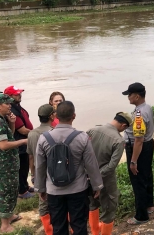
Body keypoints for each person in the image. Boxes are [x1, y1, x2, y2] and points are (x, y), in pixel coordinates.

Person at [35, 101, 103, 235]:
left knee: (58, 227)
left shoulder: (44, 138)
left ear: (55, 116)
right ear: (74, 116)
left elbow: (40, 166)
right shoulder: (82, 137)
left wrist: (40, 188)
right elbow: (91, 165)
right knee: (79, 226)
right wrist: (97, 185)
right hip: (78, 190)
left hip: (53, 191)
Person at [0, 93, 28, 233]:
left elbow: (8, 135)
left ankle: (9, 216)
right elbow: (3, 145)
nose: (10, 105)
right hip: (5, 164)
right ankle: (5, 225)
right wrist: (24, 141)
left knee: (11, 189)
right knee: (7, 192)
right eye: (7, 104)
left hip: (7, 162)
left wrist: (11, 122)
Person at [87, 112, 132, 235]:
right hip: (105, 180)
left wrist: (89, 175)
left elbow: (80, 152)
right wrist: (98, 175)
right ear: (123, 125)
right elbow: (112, 165)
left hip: (87, 177)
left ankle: (95, 232)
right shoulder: (119, 140)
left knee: (92, 204)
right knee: (109, 208)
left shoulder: (92, 130)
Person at [122, 83, 154, 224]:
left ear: (136, 96)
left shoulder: (139, 114)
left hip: (139, 149)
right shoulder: (146, 107)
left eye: (129, 95)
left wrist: (133, 161)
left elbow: (138, 140)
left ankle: (141, 216)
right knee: (146, 175)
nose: (128, 97)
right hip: (148, 145)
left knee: (138, 180)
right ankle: (149, 205)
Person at [27, 104, 56, 235]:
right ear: (51, 116)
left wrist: (33, 174)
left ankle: (48, 231)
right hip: (55, 173)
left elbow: (31, 157)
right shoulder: (53, 132)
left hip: (39, 173)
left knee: (43, 204)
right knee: (60, 201)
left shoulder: (32, 134)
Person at [4, 86, 34, 199]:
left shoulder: (18, 107)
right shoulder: (11, 110)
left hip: (24, 142)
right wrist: (36, 135)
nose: (19, 95)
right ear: (9, 96)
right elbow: (22, 129)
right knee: (20, 168)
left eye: (19, 93)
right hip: (19, 142)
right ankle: (21, 191)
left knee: (25, 166)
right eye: (16, 94)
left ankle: (25, 186)